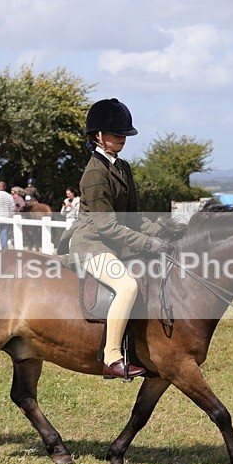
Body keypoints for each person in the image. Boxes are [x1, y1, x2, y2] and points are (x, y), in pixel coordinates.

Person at [68, 98, 172, 379]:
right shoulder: (94, 173)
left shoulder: (122, 168)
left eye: (124, 134)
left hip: (114, 242)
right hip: (91, 243)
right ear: (98, 136)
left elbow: (134, 217)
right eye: (116, 134)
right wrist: (149, 243)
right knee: (126, 286)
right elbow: (108, 227)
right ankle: (112, 357)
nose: (122, 139)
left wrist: (163, 231)